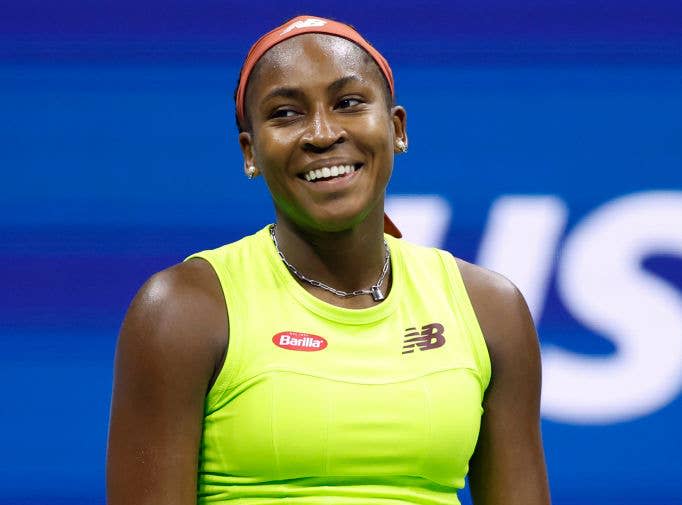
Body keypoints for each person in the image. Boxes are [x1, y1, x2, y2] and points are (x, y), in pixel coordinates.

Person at [107, 15, 551, 505]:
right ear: (250, 153)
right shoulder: (183, 310)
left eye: (348, 103)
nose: (321, 133)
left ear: (397, 128)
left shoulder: (489, 307)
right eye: (285, 113)